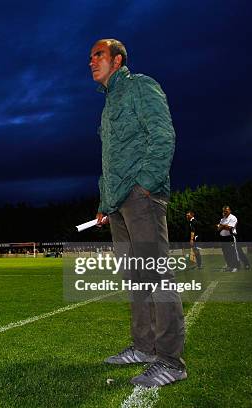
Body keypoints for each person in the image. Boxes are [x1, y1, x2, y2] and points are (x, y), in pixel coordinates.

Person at [90, 39, 186, 387]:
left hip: (142, 197)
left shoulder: (140, 86)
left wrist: (145, 185)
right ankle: (144, 348)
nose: (91, 62)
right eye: (90, 57)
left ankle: (171, 362)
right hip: (117, 204)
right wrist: (105, 203)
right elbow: (111, 161)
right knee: (135, 279)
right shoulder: (107, 103)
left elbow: (162, 135)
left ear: (117, 60)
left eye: (97, 55)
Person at [217, 206, 250, 272]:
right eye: (224, 211)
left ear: (230, 210)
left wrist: (222, 226)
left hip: (231, 237)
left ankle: (240, 266)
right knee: (226, 253)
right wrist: (223, 226)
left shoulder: (233, 218)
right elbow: (218, 229)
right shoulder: (223, 219)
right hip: (223, 238)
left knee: (236, 252)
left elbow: (229, 228)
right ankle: (230, 266)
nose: (225, 212)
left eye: (226, 210)